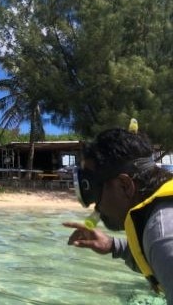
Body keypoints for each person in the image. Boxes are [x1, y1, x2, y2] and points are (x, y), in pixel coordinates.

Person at [63, 128, 173, 303]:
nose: (96, 207)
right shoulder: (160, 219)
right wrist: (113, 245)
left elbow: (163, 250)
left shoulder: (163, 233)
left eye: (95, 194)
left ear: (125, 185)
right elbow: (158, 263)